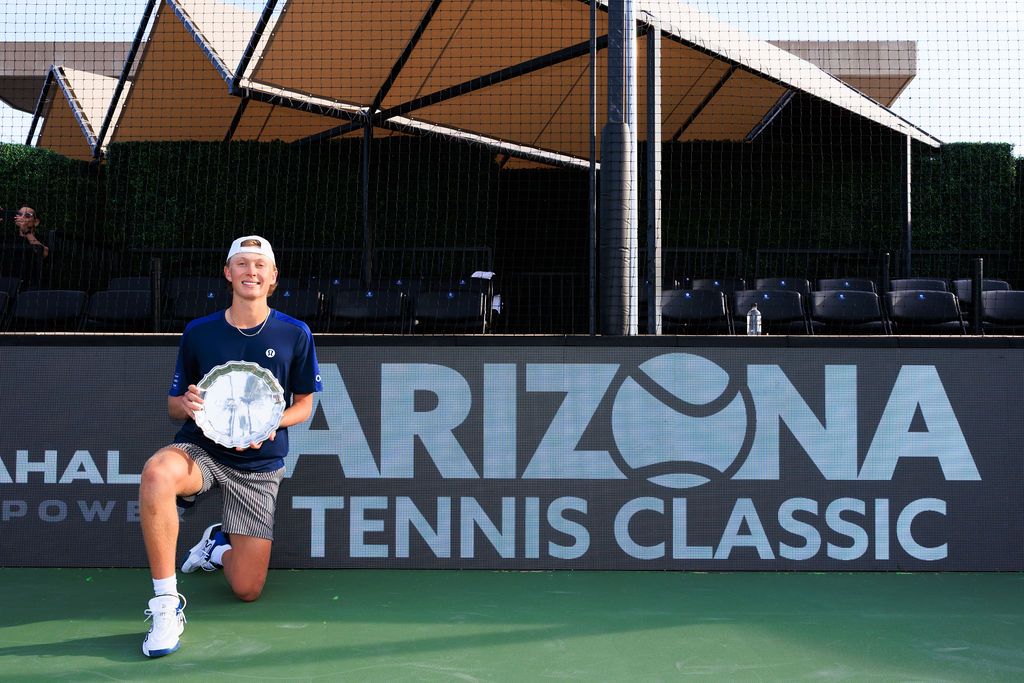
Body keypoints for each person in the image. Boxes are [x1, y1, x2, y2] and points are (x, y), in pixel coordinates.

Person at [138, 235, 322, 658]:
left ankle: (217, 547)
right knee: (156, 474)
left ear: (273, 277)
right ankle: (165, 604)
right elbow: (173, 406)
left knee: (247, 589)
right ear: (228, 273)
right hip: (201, 450)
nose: (250, 272)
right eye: (242, 263)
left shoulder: (295, 333)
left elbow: (304, 405)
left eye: (259, 265)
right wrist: (186, 404)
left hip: (258, 465)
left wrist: (272, 422)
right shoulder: (199, 331)